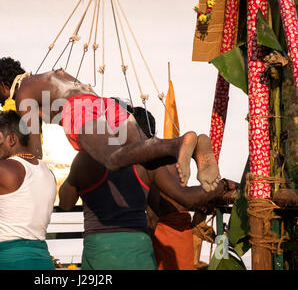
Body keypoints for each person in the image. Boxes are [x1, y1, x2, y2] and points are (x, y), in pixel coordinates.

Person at [0, 57, 220, 192]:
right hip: (105, 105)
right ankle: (192, 149)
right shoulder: (49, 76)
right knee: (142, 156)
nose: (2, 100)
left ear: (3, 85)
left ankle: (179, 143)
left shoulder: (23, 94)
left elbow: (34, 151)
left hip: (79, 110)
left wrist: (7, 168)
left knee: (113, 159)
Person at [58, 103, 234, 270]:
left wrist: (78, 167)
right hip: (140, 243)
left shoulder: (85, 158)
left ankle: (183, 146)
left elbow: (65, 203)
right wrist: (223, 186)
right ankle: (182, 145)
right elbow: (186, 198)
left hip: (101, 245)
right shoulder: (146, 163)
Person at [0, 110, 57, 270]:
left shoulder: (3, 169)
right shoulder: (47, 172)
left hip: (8, 261)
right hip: (42, 259)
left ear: (12, 139)